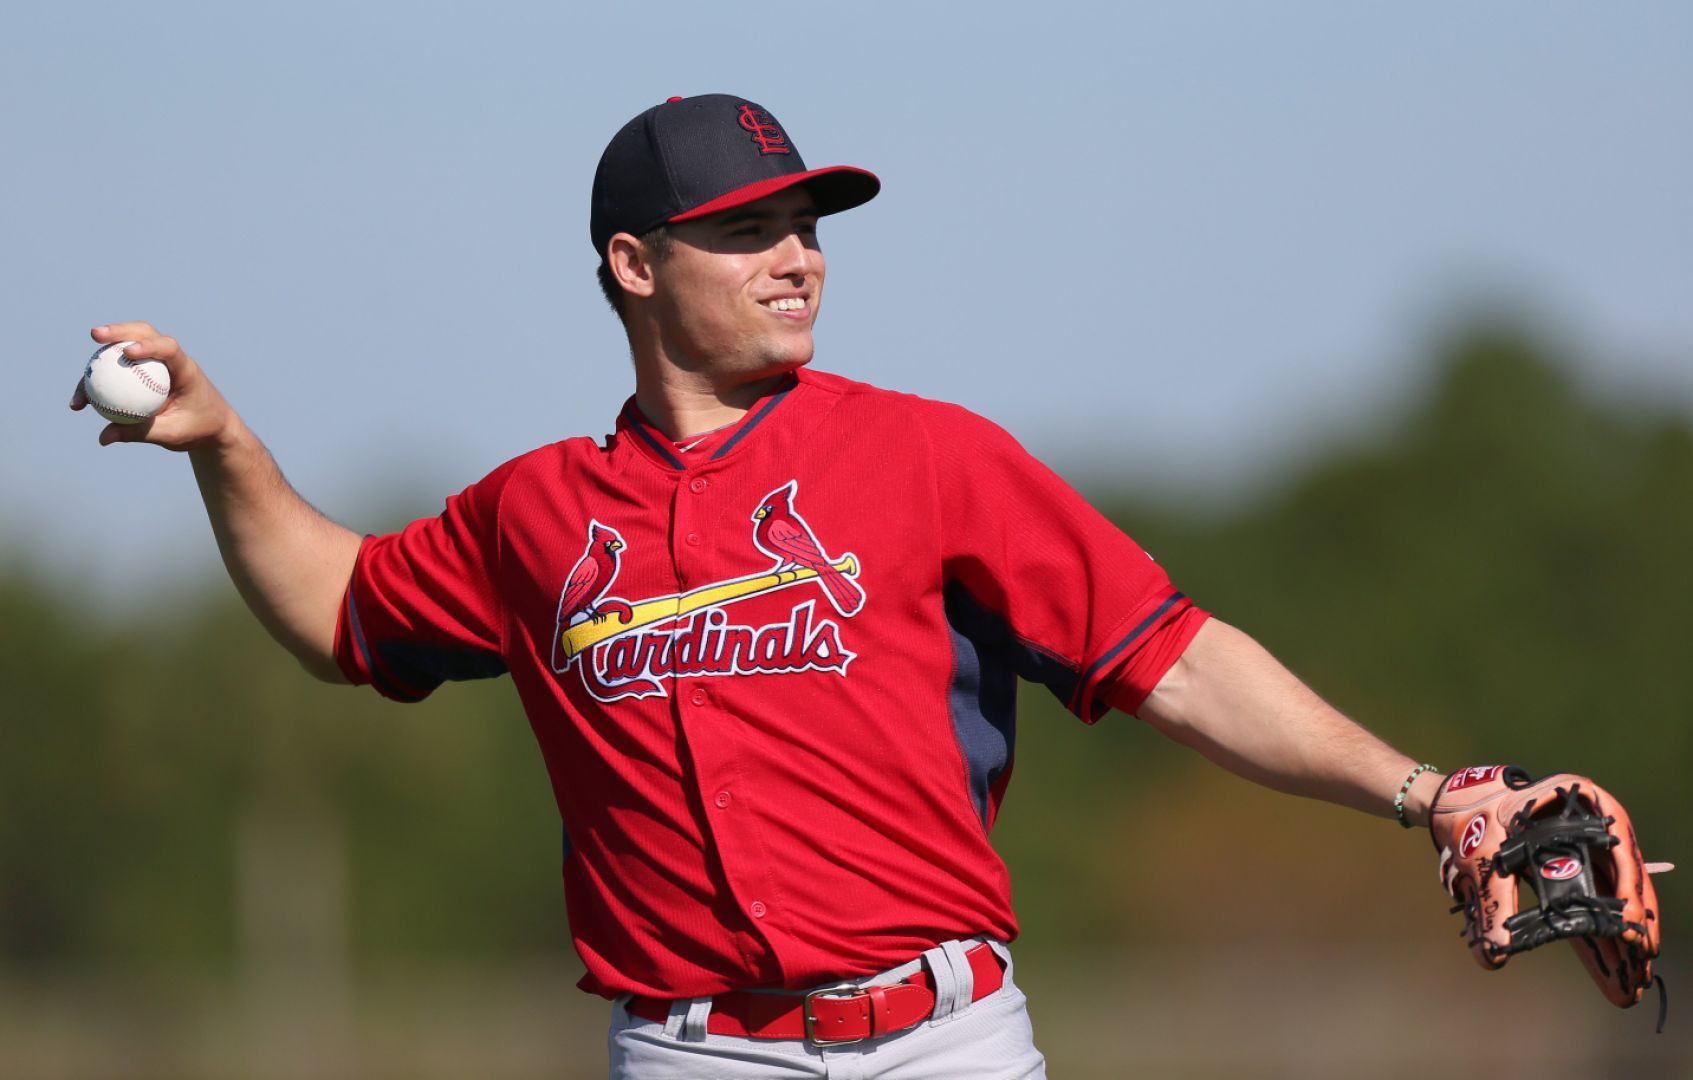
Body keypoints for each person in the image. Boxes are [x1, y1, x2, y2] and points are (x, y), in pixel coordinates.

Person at [70, 94, 1660, 1078]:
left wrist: (1421, 788)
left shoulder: (927, 459)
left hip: (944, 1040)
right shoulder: (537, 515)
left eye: (806, 226)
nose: (797, 256)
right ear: (633, 264)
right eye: (744, 229)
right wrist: (225, 446)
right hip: (687, 1054)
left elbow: (1169, 657)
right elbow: (342, 613)